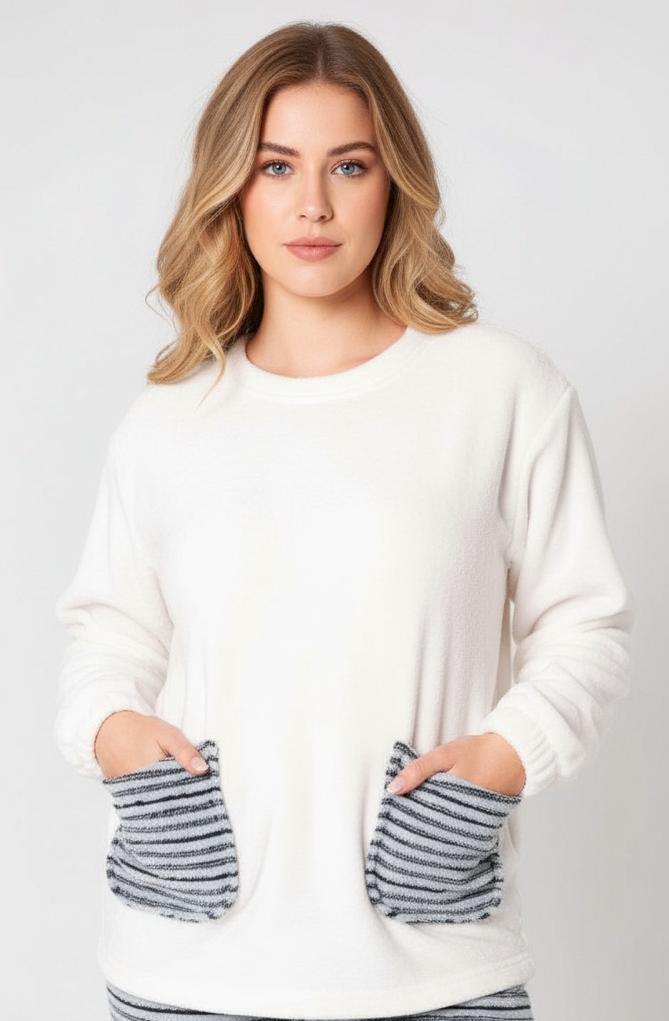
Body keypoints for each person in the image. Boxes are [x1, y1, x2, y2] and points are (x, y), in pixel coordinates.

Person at [53, 20, 634, 1021]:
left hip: (432, 964)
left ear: (393, 181)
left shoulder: (501, 391)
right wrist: (112, 733)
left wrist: (505, 756)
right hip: (186, 968)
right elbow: (108, 635)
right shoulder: (167, 421)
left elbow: (586, 625)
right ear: (231, 187)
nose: (312, 204)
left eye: (349, 165)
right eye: (276, 166)